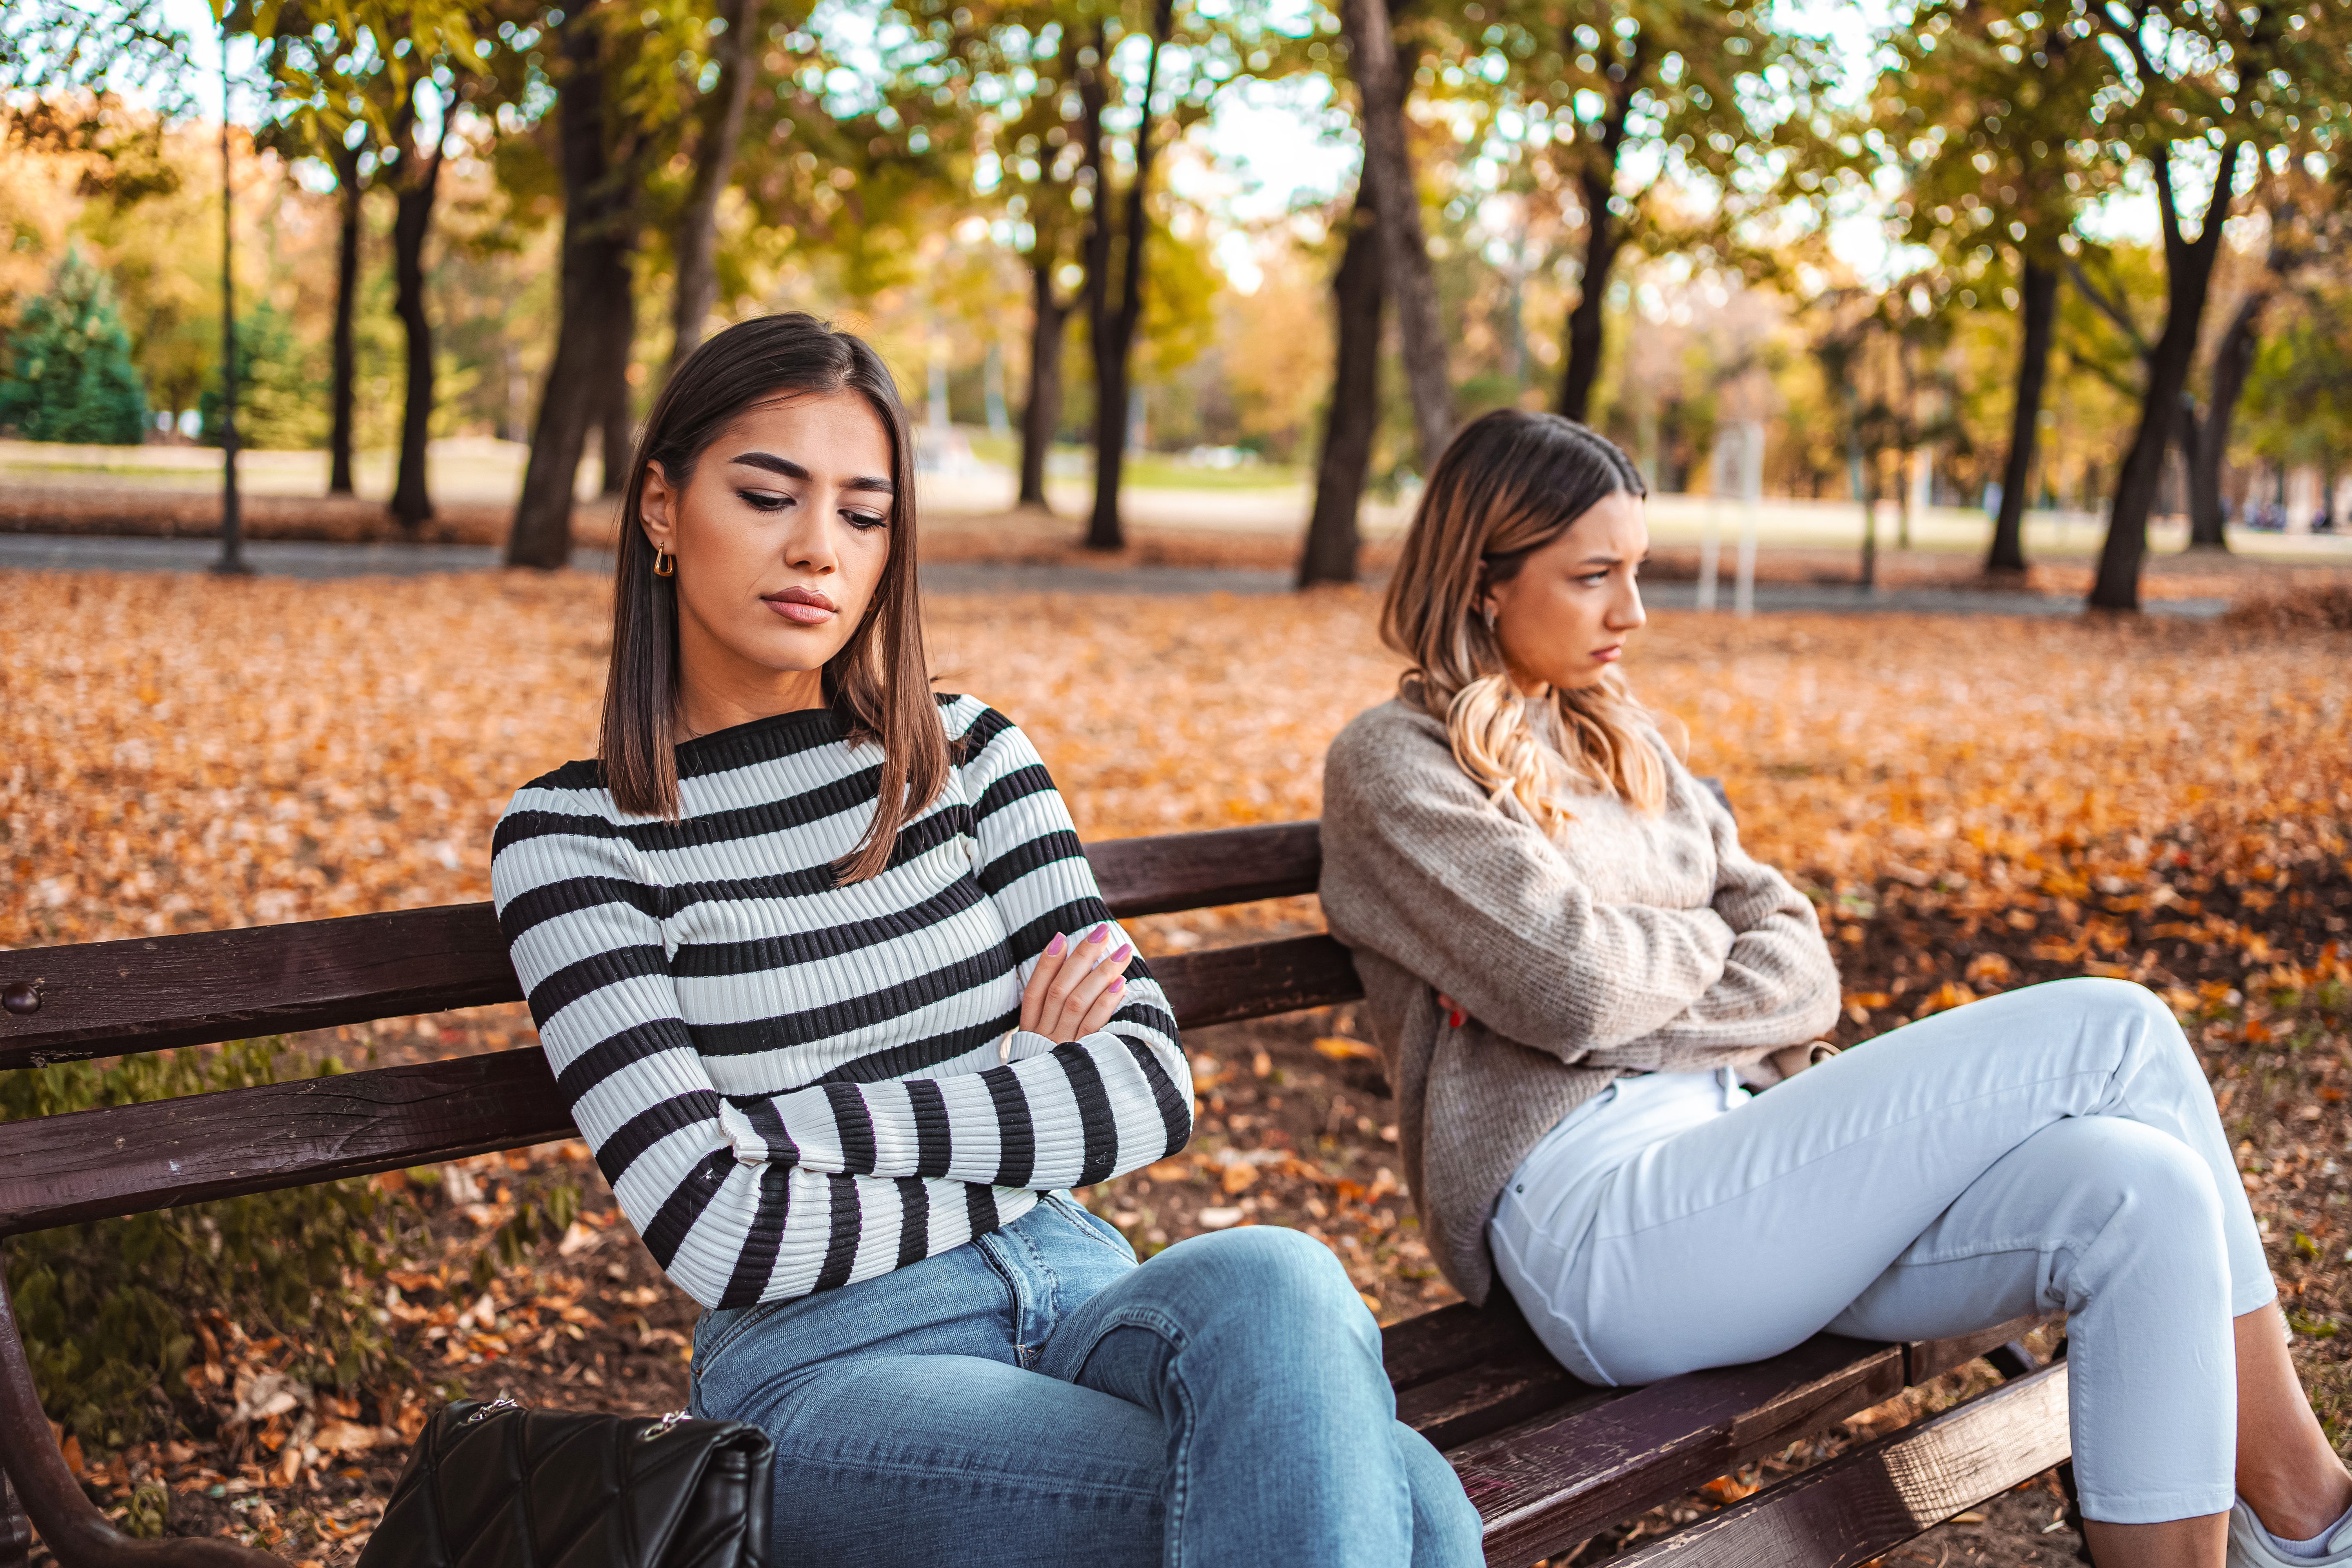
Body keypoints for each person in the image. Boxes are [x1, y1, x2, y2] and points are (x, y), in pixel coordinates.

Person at [490, 313, 1480, 1567]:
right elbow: (717, 1223)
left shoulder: (968, 755)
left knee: (1279, 1271)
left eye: (864, 514)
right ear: (660, 509)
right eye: (766, 494)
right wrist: (1016, 1085)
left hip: (1082, 1290)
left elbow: (1144, 1087)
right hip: (834, 1365)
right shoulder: (577, 835)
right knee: (1418, 1507)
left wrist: (805, 1124)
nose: (817, 550)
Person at [1316, 408, 2352, 1568]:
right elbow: (1575, 986)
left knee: (2138, 1186)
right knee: (2117, 1028)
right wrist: (1688, 950)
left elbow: (1798, 959)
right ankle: (2309, 1515)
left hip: (1750, 1173)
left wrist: (1649, 969)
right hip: (1602, 1226)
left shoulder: (1625, 741)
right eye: (1593, 575)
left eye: (1637, 571)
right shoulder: (1393, 764)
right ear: (1481, 580)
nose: (1633, 613)